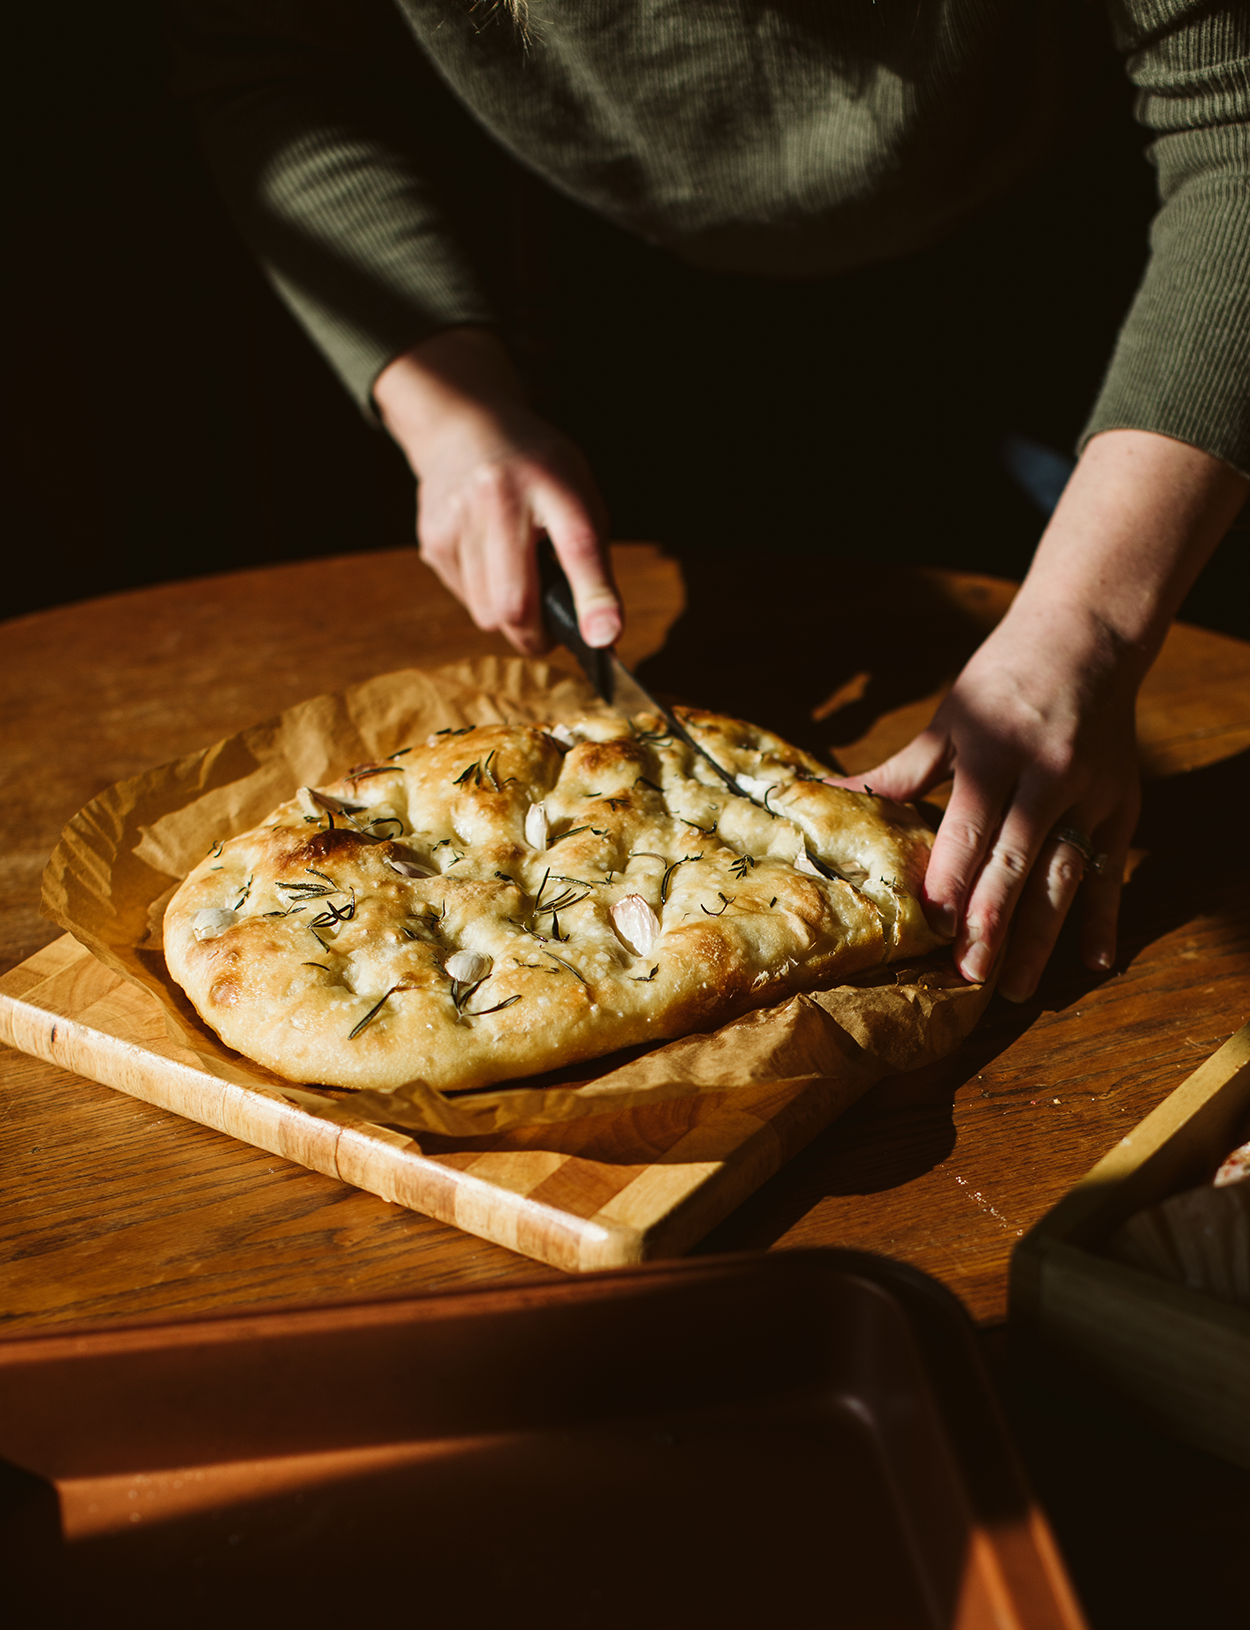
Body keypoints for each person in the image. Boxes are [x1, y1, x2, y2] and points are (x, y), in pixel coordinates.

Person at [173, 0, 1250, 1001]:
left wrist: (1092, 622)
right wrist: (446, 408)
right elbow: (277, 62)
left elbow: (1233, 122)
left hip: (1115, 264)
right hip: (646, 285)